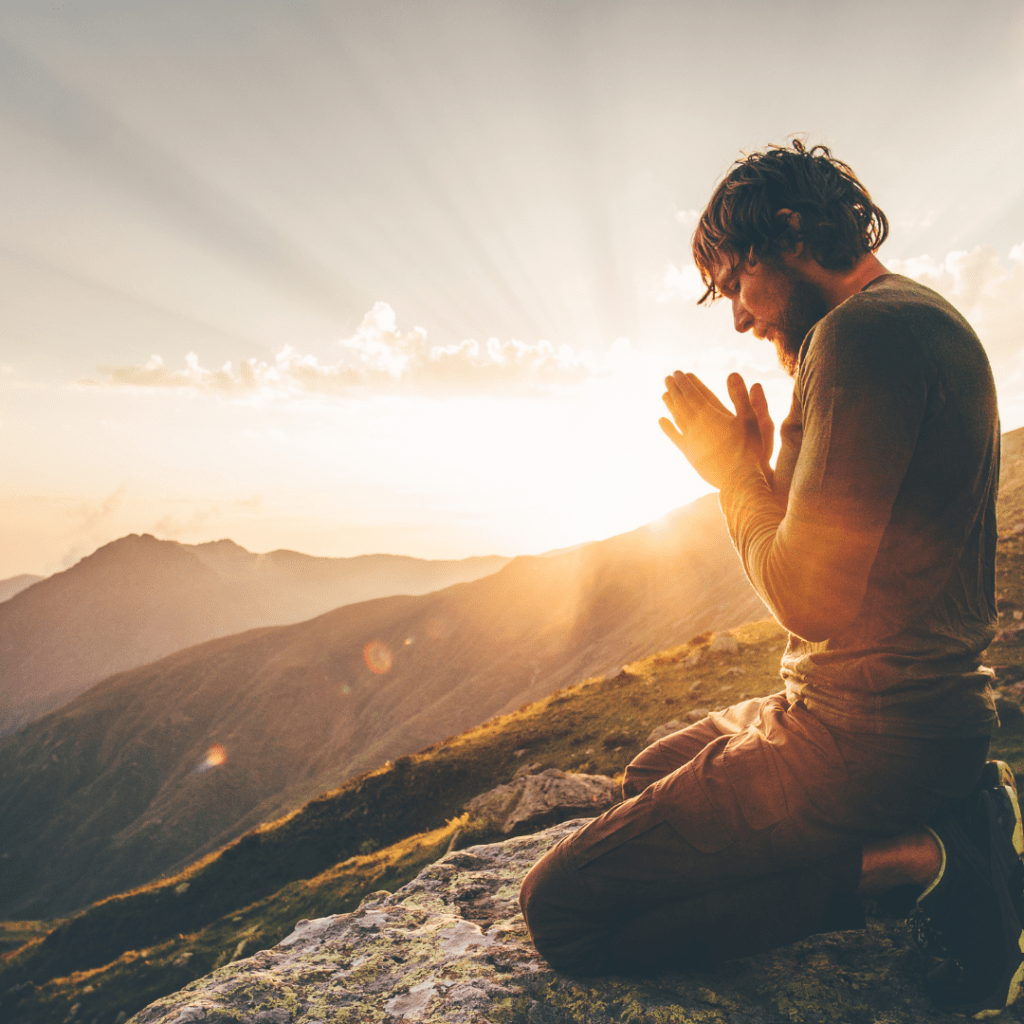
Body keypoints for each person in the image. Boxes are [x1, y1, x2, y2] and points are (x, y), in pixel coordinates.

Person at [519, 139, 1024, 1016]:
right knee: (649, 776)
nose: (740, 320)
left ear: (788, 232)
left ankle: (927, 858)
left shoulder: (861, 336)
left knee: (561, 912)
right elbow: (850, 542)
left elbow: (809, 599)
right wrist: (768, 468)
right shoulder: (912, 319)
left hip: (867, 737)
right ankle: (951, 812)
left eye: (735, 285)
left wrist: (734, 480)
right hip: (911, 718)